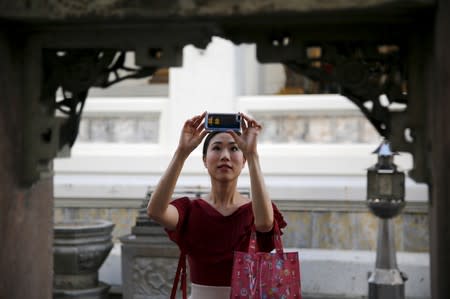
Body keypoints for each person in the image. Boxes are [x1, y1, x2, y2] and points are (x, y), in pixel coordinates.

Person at [147, 111, 286, 299]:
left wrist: (253, 154)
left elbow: (264, 224)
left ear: (243, 161)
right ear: (205, 160)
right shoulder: (190, 210)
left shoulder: (255, 210)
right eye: (217, 148)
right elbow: (156, 211)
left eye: (234, 149)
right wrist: (181, 152)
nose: (225, 156)